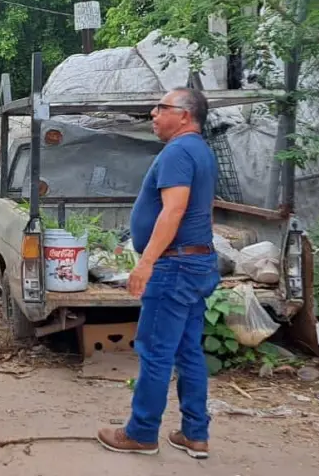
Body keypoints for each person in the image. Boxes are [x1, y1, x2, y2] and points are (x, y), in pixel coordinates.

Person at [97, 87, 219, 459]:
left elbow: (174, 210)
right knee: (187, 351)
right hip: (195, 263)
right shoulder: (200, 151)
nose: (153, 113)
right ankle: (195, 434)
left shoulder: (179, 152)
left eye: (161, 107)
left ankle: (142, 432)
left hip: (174, 266)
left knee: (154, 350)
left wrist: (146, 262)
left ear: (184, 115)